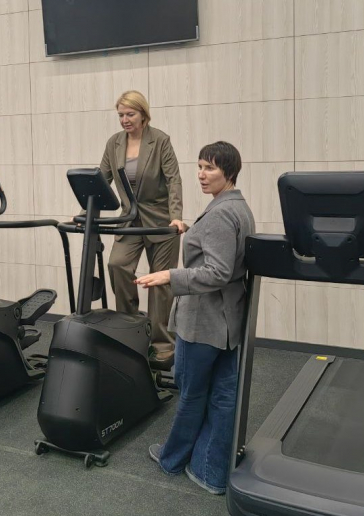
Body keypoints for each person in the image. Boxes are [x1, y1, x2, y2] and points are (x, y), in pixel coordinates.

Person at [135, 141, 255, 495]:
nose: (201, 175)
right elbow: (222, 256)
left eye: (210, 168)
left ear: (229, 171)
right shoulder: (237, 207)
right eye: (200, 167)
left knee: (191, 393)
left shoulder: (219, 214)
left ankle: (172, 458)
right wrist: (194, 234)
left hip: (204, 321)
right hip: (227, 323)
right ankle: (210, 471)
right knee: (223, 396)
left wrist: (169, 275)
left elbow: (217, 272)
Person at [100, 90, 186, 370]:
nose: (125, 120)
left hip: (160, 221)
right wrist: (86, 213)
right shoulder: (114, 143)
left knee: (160, 283)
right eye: (121, 115)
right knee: (117, 265)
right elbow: (101, 181)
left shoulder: (160, 140)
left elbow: (173, 180)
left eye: (130, 114)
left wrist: (176, 216)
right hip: (129, 220)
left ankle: (162, 345)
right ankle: (130, 330)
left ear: (143, 115)